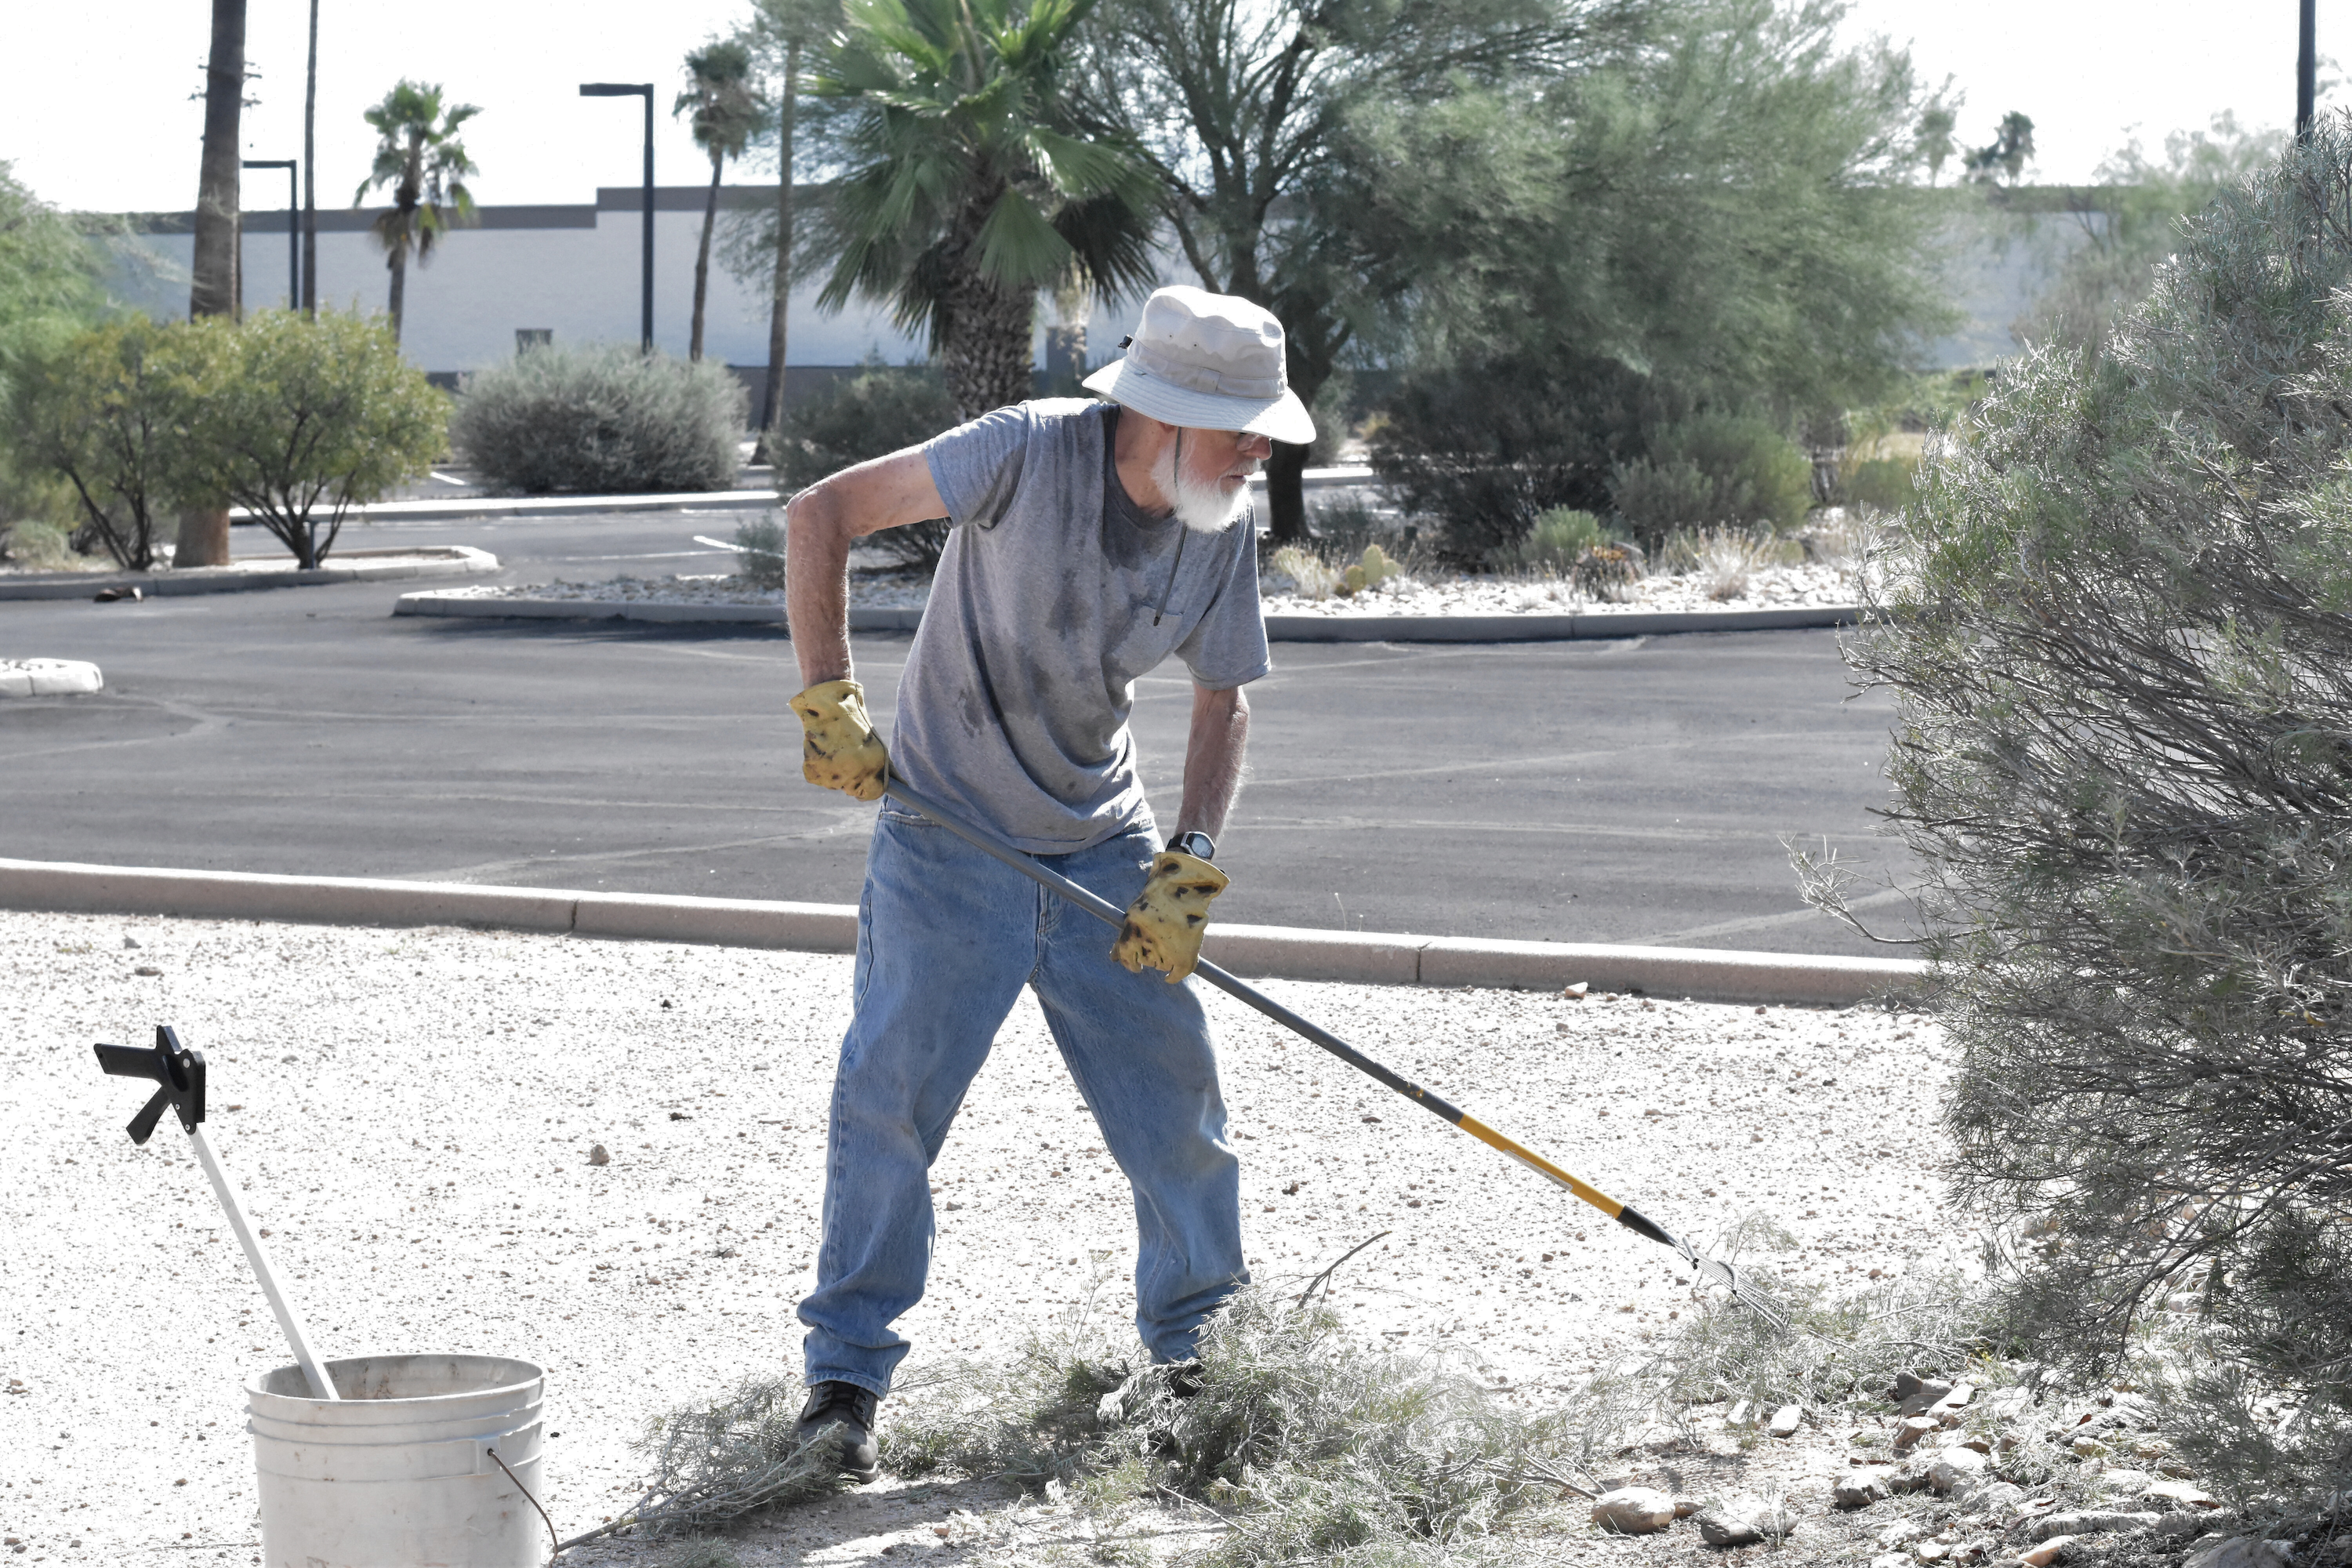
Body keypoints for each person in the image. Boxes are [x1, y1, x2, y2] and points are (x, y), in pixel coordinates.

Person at [779, 285, 1314, 1481]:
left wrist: (1191, 864)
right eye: (1241, 429)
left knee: (1179, 1114)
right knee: (889, 1109)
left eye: (1264, 429)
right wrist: (830, 697)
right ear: (1162, 415)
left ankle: (1194, 1357)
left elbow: (1224, 697)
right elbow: (821, 515)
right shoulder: (1020, 451)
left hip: (1102, 849)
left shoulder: (1217, 524)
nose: (1258, 451)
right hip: (944, 839)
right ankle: (843, 1386)